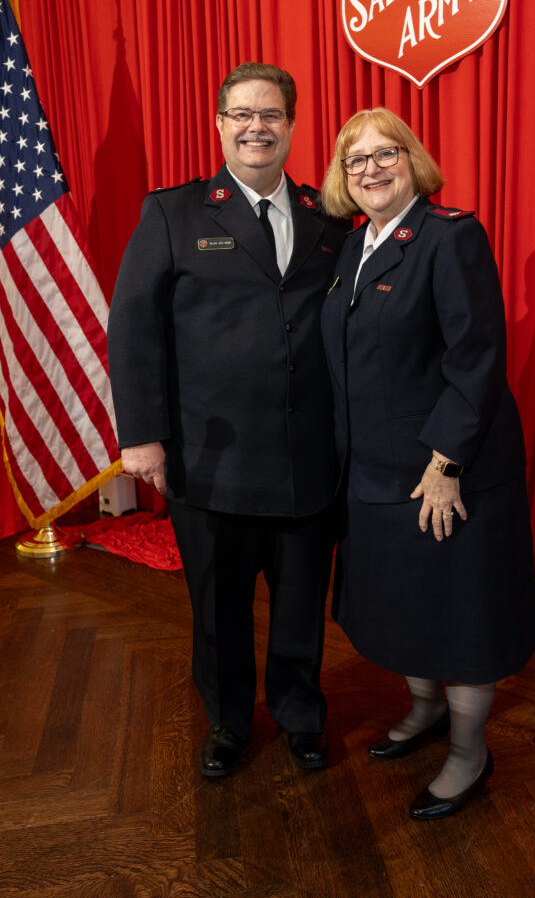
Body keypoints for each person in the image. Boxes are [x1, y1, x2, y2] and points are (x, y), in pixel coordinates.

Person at [107, 62, 349, 777]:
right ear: (219, 126)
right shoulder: (173, 212)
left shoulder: (328, 219)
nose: (256, 127)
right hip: (210, 459)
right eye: (241, 114)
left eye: (270, 114)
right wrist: (140, 434)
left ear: (292, 126)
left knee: (301, 603)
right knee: (218, 607)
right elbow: (133, 326)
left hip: (305, 457)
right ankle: (228, 721)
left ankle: (301, 714)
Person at [320, 108, 535, 820]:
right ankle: (426, 711)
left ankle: (469, 751)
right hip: (373, 471)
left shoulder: (450, 237)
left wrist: (445, 463)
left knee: (460, 620)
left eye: (386, 154)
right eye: (356, 160)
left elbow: (474, 356)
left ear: (412, 161)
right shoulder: (352, 249)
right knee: (404, 609)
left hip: (448, 473)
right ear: (342, 177)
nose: (372, 170)